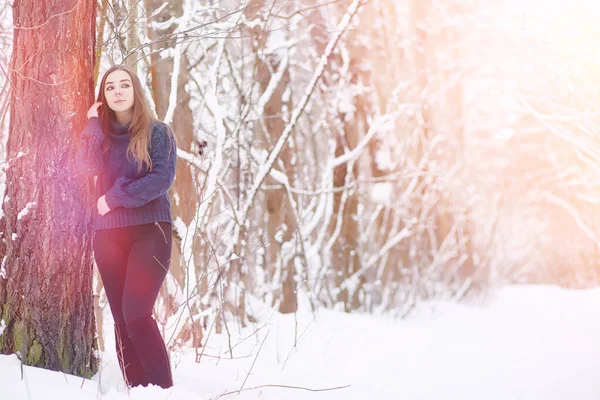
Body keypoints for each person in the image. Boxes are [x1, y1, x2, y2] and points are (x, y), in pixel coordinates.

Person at [75, 64, 177, 389]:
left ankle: (164, 391)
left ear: (135, 91)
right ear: (103, 96)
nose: (118, 91)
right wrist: (92, 125)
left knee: (136, 311)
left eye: (124, 85)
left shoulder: (159, 133)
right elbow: (86, 167)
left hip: (151, 230)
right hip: (108, 237)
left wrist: (116, 196)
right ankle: (136, 389)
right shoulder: (100, 136)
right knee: (120, 318)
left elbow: (161, 179)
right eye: (110, 87)